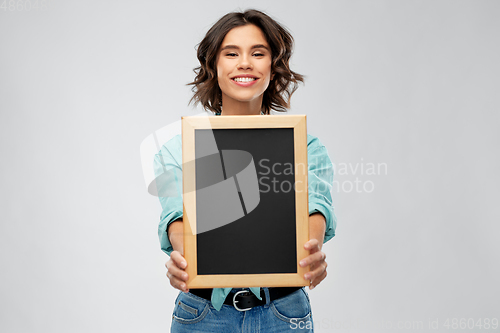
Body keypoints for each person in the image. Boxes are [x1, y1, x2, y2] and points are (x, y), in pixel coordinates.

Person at [154, 9, 337, 332]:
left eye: (258, 53)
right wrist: (184, 259)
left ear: (273, 65)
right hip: (202, 313)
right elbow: (176, 219)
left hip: (283, 313)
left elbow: (315, 208)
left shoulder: (306, 148)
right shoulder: (177, 149)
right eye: (231, 53)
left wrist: (312, 251)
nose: (245, 63)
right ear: (213, 65)